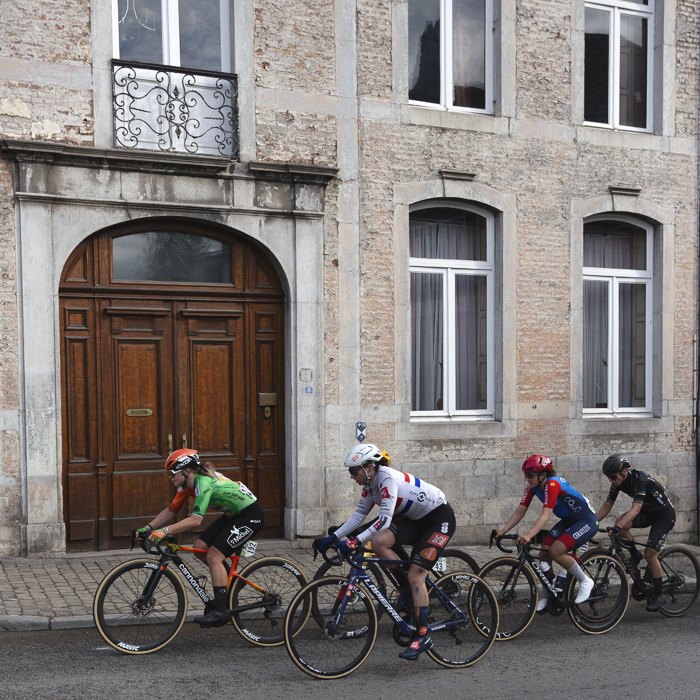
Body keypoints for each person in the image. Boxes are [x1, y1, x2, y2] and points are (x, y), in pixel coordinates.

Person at [313, 444, 456, 661]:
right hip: (415, 519)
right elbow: (360, 514)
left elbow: (383, 520)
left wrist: (354, 542)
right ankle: (407, 589)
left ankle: (423, 636)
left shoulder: (386, 479)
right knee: (379, 543)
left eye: (354, 471)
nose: (352, 476)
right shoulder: (370, 484)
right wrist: (333, 537)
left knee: (416, 575)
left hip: (438, 518)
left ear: (369, 467)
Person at [135, 449, 264, 627]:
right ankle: (231, 586)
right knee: (200, 547)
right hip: (233, 515)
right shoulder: (187, 486)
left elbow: (195, 521)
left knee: (214, 556)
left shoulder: (203, 483)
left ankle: (220, 611)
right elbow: (172, 510)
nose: (170, 477)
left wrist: (163, 531)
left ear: (186, 470)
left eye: (172, 473)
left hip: (250, 515)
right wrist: (148, 528)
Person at [493, 455, 598, 611]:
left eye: (530, 475)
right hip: (569, 521)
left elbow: (546, 515)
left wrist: (528, 535)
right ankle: (548, 597)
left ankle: (585, 581)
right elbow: (521, 510)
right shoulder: (532, 487)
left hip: (586, 521)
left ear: (543, 475)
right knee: (544, 553)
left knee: (556, 550)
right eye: (525, 475)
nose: (527, 479)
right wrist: (502, 531)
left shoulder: (553, 484)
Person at [596, 454, 676, 612]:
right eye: (608, 478)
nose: (611, 481)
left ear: (624, 471)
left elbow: (635, 509)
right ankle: (634, 555)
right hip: (647, 512)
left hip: (663, 516)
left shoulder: (640, 480)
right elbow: (607, 506)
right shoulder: (618, 482)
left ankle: (659, 595)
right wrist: (591, 523)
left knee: (650, 554)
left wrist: (618, 526)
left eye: (612, 477)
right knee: (621, 523)